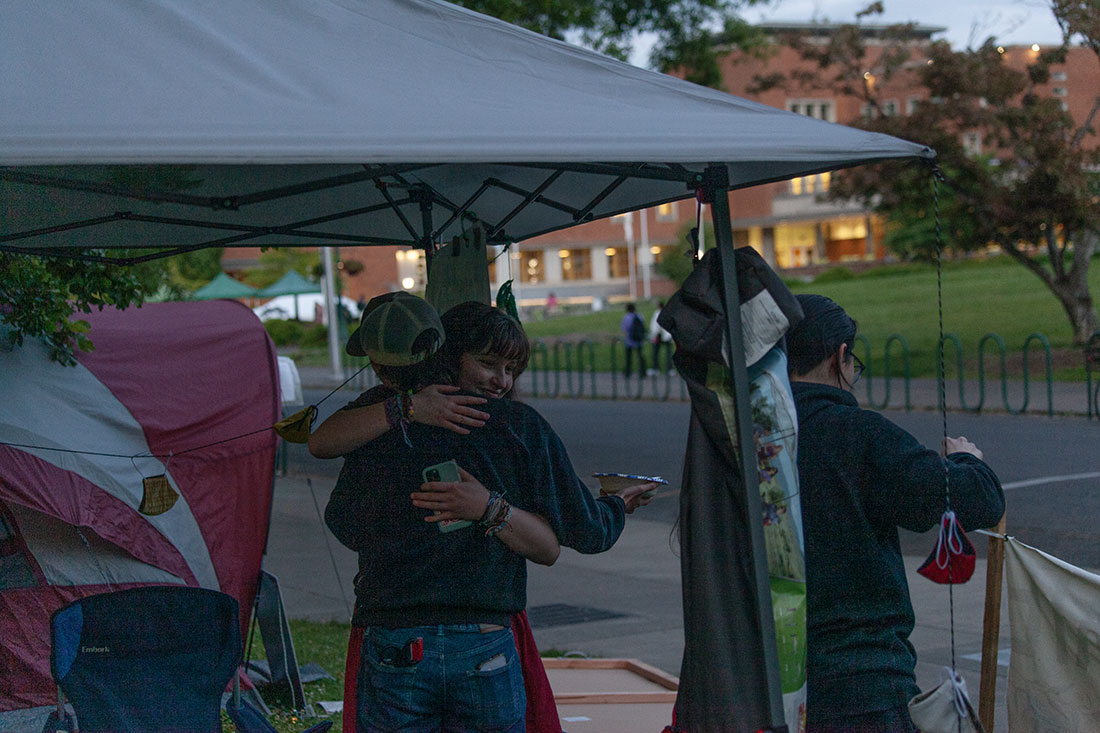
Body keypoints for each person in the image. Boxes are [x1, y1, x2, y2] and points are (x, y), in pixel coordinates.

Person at [315, 294, 657, 732]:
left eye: (511, 370)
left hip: (393, 635)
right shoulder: (519, 426)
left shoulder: (379, 421)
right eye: (488, 364)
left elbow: (343, 521)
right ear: (448, 354)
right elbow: (587, 532)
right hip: (483, 642)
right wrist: (615, 506)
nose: (500, 381)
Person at [785, 294, 1004, 732]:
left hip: (768, 675)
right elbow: (977, 499)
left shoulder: (747, 438)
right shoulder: (857, 434)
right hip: (862, 682)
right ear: (840, 357)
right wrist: (967, 460)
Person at [620, 302, 647, 379]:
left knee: (628, 357)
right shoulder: (639, 316)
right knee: (640, 356)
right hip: (639, 339)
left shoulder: (627, 317)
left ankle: (628, 372)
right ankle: (643, 372)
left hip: (630, 340)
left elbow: (624, 328)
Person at [647, 300, 673, 375]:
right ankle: (670, 369)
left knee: (655, 353)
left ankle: (656, 368)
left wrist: (653, 335)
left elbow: (655, 326)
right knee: (668, 353)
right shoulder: (668, 312)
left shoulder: (657, 313)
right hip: (668, 335)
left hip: (658, 335)